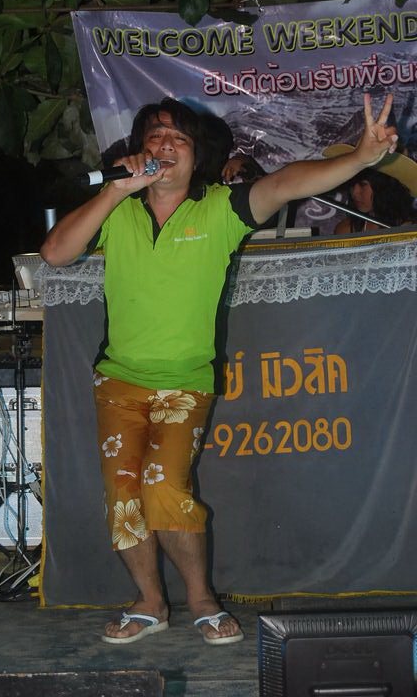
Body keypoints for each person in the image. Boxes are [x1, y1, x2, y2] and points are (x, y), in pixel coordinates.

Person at [40, 92, 397, 646]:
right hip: (118, 381)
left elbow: (286, 183)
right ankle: (150, 602)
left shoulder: (220, 208)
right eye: (155, 136)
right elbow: (55, 254)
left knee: (164, 488)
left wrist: (359, 158)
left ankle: (202, 599)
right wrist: (114, 191)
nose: (165, 145)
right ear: (139, 150)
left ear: (195, 154)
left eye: (178, 138)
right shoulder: (119, 209)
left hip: (184, 383)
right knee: (124, 497)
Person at [334, 168, 416, 233]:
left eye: (363, 184)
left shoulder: (410, 228)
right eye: (351, 185)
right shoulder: (346, 229)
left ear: (384, 187)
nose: (354, 193)